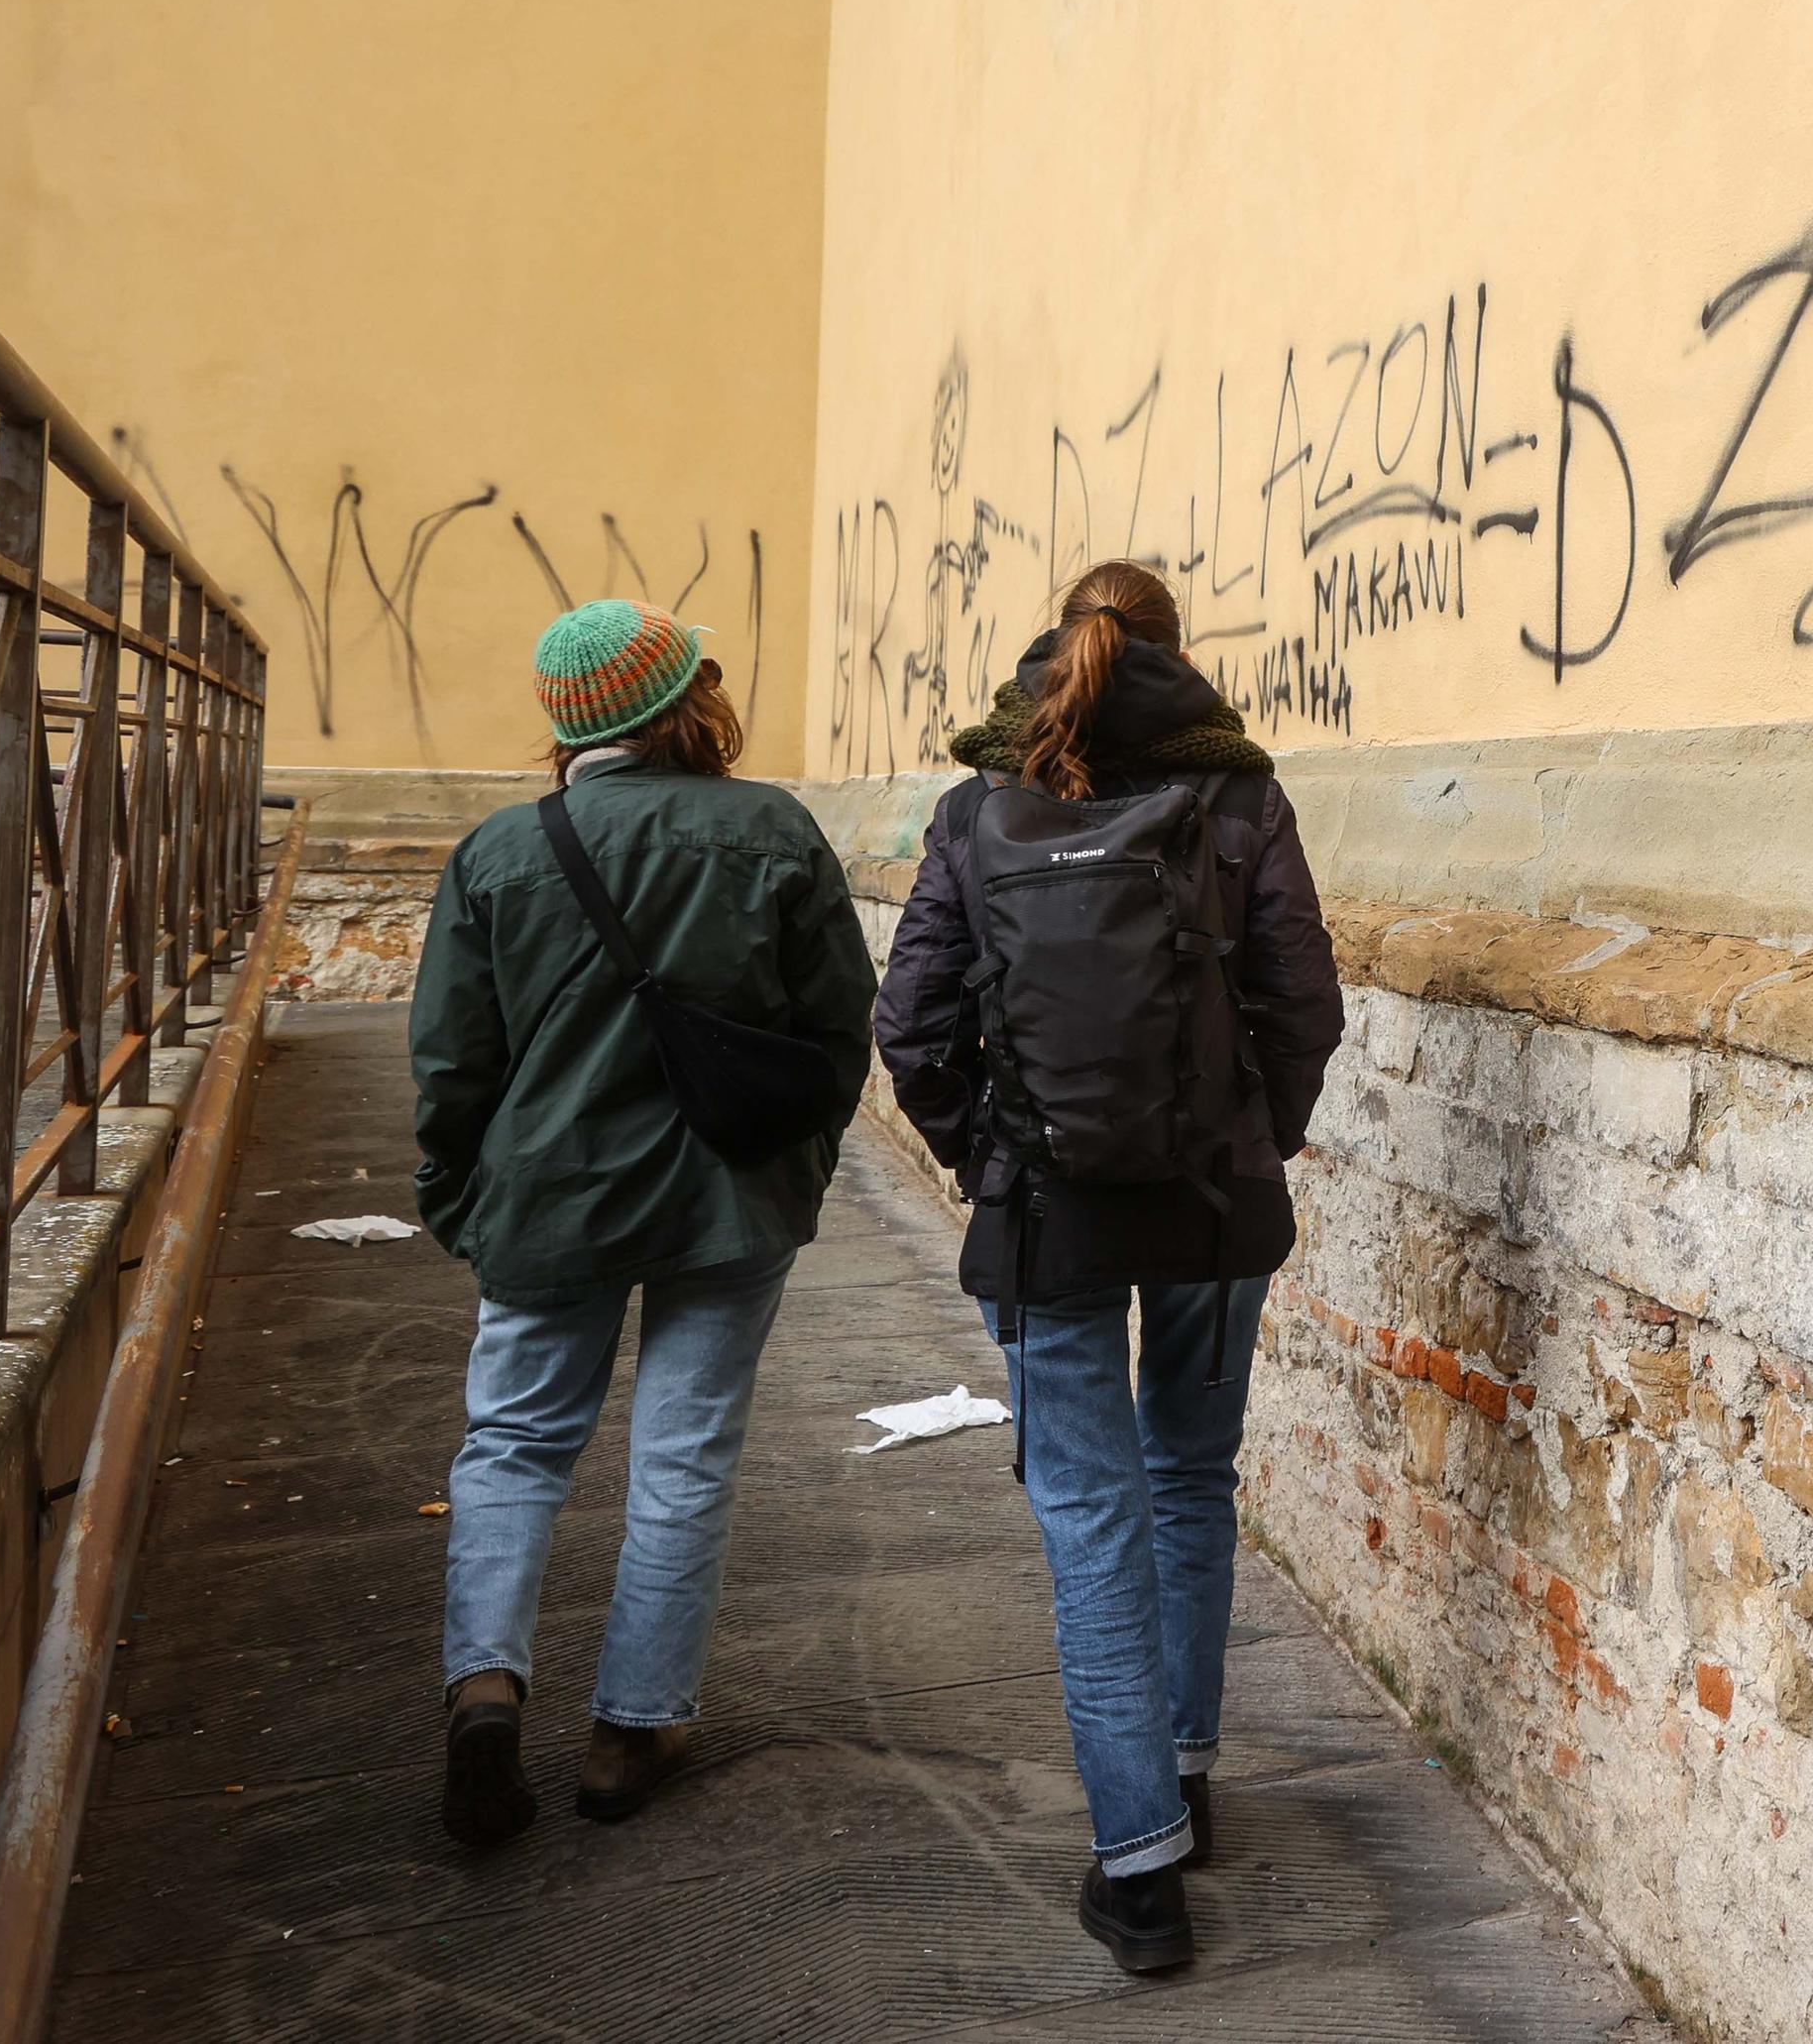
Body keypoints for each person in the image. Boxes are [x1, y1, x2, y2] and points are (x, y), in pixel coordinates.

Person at [873, 559, 1341, 1977]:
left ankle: (1137, 1868)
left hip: (1046, 1212)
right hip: (1214, 1204)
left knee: (1088, 1513)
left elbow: (910, 1024)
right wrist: (1260, 1135)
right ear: (1176, 654)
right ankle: (1185, 1772)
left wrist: (991, 1152)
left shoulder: (977, 806)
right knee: (1190, 1474)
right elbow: (1303, 1003)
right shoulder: (1242, 796)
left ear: (1059, 652)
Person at [410, 600, 875, 1849]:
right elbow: (840, 1026)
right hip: (728, 1198)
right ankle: (633, 1726)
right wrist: (797, 1163)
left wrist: (457, 1191)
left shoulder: (499, 853)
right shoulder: (771, 827)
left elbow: (452, 1061)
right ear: (687, 703)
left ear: (567, 725)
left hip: (545, 1197)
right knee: (684, 1454)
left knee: (510, 1444)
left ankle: (486, 1689)